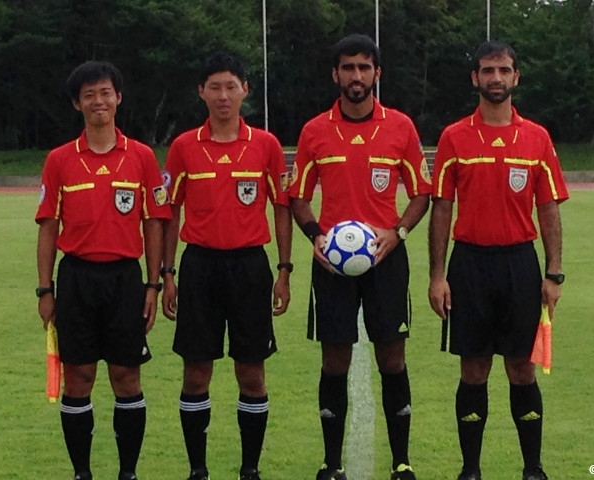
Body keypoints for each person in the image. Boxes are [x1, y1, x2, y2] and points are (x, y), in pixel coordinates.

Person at [289, 34, 431, 480]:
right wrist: (314, 235)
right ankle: (332, 465)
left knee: (393, 359)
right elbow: (297, 196)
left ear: (377, 74)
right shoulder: (314, 131)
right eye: (347, 67)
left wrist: (398, 232)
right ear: (335, 74)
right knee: (335, 361)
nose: (356, 76)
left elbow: (422, 193)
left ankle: (402, 462)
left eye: (363, 67)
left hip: (386, 260)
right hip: (332, 265)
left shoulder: (401, 127)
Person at [427, 41, 569, 480]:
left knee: (522, 367)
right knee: (474, 368)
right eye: (487, 70)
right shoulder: (454, 136)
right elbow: (442, 209)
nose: (496, 78)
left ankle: (533, 469)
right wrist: (437, 275)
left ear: (515, 77)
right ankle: (470, 470)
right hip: (469, 265)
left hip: (519, 265)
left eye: (504, 70)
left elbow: (547, 209)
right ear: (475, 79)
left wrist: (553, 272)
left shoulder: (536, 138)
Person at [36, 60, 171, 480]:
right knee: (79, 377)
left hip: (126, 279)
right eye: (89, 94)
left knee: (126, 376)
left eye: (105, 92)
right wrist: (45, 290)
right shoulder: (59, 160)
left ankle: (127, 473)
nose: (99, 101)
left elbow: (154, 222)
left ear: (119, 98)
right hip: (76, 278)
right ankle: (82, 473)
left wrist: (152, 283)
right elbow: (48, 228)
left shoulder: (143, 157)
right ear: (78, 103)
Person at [161, 52, 292, 480]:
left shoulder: (266, 145)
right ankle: (198, 470)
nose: (223, 95)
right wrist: (167, 275)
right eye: (214, 87)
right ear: (201, 92)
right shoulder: (183, 147)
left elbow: (281, 207)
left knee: (251, 371)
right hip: (199, 267)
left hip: (250, 267)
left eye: (231, 86)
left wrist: (285, 269)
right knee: (197, 370)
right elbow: (170, 212)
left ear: (244, 91)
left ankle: (249, 469)